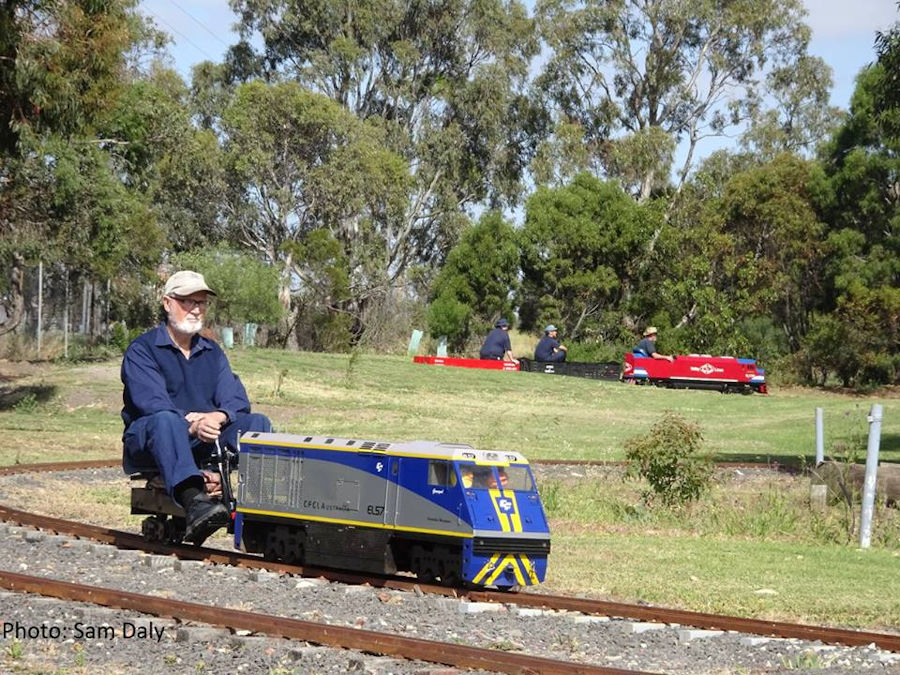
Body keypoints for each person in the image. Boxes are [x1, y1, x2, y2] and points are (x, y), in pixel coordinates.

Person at [121, 270, 272, 544]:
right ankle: (194, 503)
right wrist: (191, 424)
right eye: (186, 302)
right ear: (167, 303)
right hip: (155, 440)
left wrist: (219, 415)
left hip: (203, 441)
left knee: (257, 425)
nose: (195, 309)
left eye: (200, 303)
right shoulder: (143, 350)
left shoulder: (212, 352)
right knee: (164, 419)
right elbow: (151, 403)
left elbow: (237, 399)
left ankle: (257, 508)